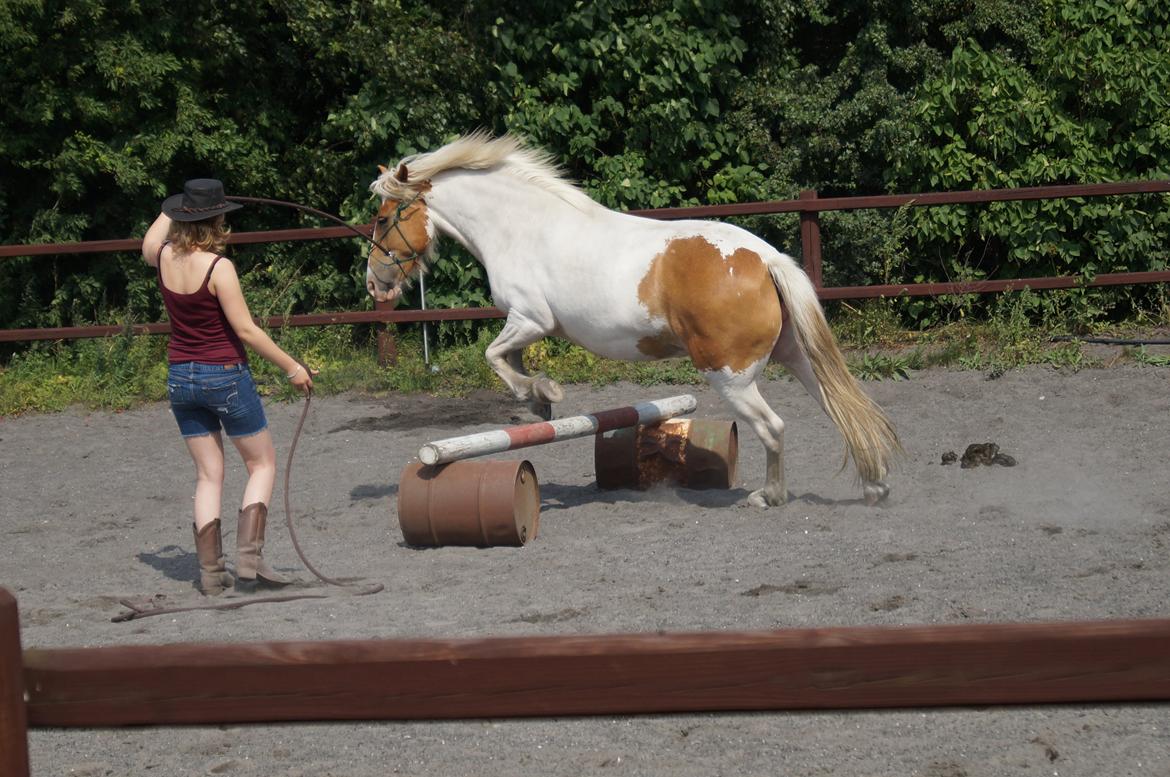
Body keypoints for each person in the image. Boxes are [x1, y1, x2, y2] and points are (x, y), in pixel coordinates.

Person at [142, 178, 314, 595]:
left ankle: (211, 573)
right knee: (261, 465)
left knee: (207, 475)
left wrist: (172, 207)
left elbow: (149, 242)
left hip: (180, 376)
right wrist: (293, 367)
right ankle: (250, 563)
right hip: (225, 375)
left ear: (184, 217)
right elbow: (246, 331)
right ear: (217, 219)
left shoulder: (164, 257)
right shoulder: (219, 268)